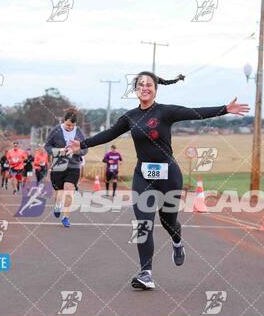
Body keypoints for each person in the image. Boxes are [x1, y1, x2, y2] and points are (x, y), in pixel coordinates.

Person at [67, 71, 249, 290]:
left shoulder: (165, 111)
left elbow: (194, 113)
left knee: (168, 221)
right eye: (140, 84)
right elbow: (109, 134)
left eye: (149, 84)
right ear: (135, 90)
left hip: (169, 175)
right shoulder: (130, 117)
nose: (145, 87)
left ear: (155, 89)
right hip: (143, 175)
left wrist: (224, 109)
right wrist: (83, 144)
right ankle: (146, 273)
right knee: (143, 223)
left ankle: (177, 241)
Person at [45, 108, 88, 228]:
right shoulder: (55, 131)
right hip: (59, 163)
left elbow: (85, 148)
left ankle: (66, 217)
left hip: (74, 165)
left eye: (73, 125)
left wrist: (76, 151)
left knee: (69, 190)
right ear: (64, 121)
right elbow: (47, 147)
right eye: (68, 125)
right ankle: (58, 205)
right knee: (59, 192)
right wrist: (59, 151)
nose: (70, 127)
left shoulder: (79, 132)